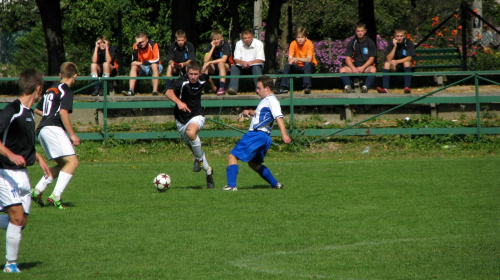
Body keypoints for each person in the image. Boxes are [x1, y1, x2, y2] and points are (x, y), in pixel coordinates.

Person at [0, 69, 50, 273]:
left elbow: (24, 143)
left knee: (22, 222)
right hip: (5, 171)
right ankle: (10, 265)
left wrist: (38, 158)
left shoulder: (29, 113)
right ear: (38, 89)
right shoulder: (12, 109)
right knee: (17, 217)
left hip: (22, 174)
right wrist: (10, 155)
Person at [222, 75, 291, 191]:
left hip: (256, 135)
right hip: (264, 137)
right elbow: (262, 114)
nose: (256, 91)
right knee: (253, 164)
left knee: (233, 156)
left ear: (267, 88)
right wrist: (249, 112)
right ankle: (275, 184)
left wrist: (284, 134)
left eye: (259, 88)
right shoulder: (267, 101)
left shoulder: (271, 101)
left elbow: (279, 117)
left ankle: (231, 186)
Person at [31, 62, 80, 210]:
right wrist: (72, 134)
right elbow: (63, 112)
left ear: (60, 75)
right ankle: (56, 196)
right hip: (52, 128)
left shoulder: (51, 89)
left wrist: (49, 116)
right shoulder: (66, 90)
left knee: (62, 164)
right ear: (75, 76)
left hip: (42, 130)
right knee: (73, 162)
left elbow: (38, 109)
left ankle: (37, 190)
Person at [164, 60, 214, 189]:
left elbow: (208, 76)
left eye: (196, 74)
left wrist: (213, 85)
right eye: (191, 74)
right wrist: (179, 102)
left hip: (197, 115)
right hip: (181, 120)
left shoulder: (202, 78)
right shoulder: (182, 81)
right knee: (195, 148)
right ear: (187, 72)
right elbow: (167, 92)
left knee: (191, 132)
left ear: (199, 73)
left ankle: (197, 160)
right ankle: (209, 172)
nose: (193, 77)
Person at [274, 27, 317, 95]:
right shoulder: (293, 43)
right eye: (298, 37)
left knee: (307, 64)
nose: (300, 39)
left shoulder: (309, 43)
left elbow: (309, 59)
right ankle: (283, 87)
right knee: (287, 65)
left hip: (309, 67)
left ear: (305, 38)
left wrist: (296, 59)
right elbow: (290, 58)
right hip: (298, 66)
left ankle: (307, 86)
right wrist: (292, 61)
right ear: (296, 38)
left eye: (302, 37)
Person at [339, 22, 377, 93]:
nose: (360, 33)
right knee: (342, 70)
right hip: (354, 66)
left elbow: (372, 58)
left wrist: (362, 68)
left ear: (365, 31)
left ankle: (366, 87)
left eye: (362, 31)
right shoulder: (352, 42)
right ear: (355, 32)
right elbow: (347, 58)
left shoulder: (370, 42)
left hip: (365, 66)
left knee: (373, 69)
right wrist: (353, 68)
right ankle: (348, 86)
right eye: (358, 31)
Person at [226, 29, 265, 95]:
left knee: (256, 68)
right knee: (234, 67)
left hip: (255, 65)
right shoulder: (239, 44)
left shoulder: (259, 44)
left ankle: (259, 89)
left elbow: (260, 59)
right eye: (245, 38)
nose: (247, 39)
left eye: (249, 37)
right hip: (242, 66)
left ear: (252, 36)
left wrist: (250, 63)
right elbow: (236, 59)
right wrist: (243, 63)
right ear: (242, 38)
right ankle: (233, 88)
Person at [377, 29, 416, 94]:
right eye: (397, 36)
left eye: (401, 36)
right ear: (394, 36)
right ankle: (385, 88)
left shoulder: (408, 42)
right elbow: (388, 59)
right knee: (386, 64)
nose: (399, 38)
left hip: (407, 66)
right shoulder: (391, 43)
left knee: (406, 63)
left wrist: (397, 61)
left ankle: (407, 87)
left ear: (404, 36)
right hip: (395, 66)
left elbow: (409, 58)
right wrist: (394, 47)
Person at [203, 30, 231, 96]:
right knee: (205, 65)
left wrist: (210, 62)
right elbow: (205, 60)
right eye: (214, 39)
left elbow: (224, 59)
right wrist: (213, 48)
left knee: (221, 63)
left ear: (221, 38)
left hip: (225, 66)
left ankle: (222, 87)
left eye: (218, 39)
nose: (216, 41)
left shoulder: (226, 45)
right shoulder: (210, 46)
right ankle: (202, 87)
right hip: (214, 67)